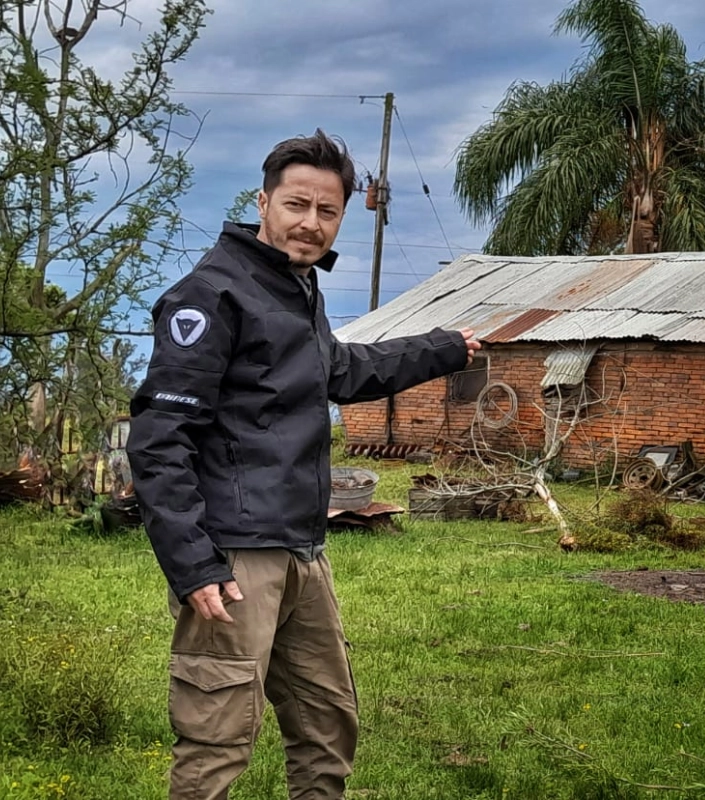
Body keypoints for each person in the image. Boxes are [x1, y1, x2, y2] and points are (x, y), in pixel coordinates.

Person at [126, 129, 481, 800]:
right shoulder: (211, 296)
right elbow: (159, 438)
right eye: (297, 205)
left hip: (303, 550)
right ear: (263, 202)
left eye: (327, 211)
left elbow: (342, 369)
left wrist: (443, 349)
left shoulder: (296, 290)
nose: (310, 223)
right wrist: (193, 563)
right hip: (235, 556)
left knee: (327, 724)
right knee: (217, 736)